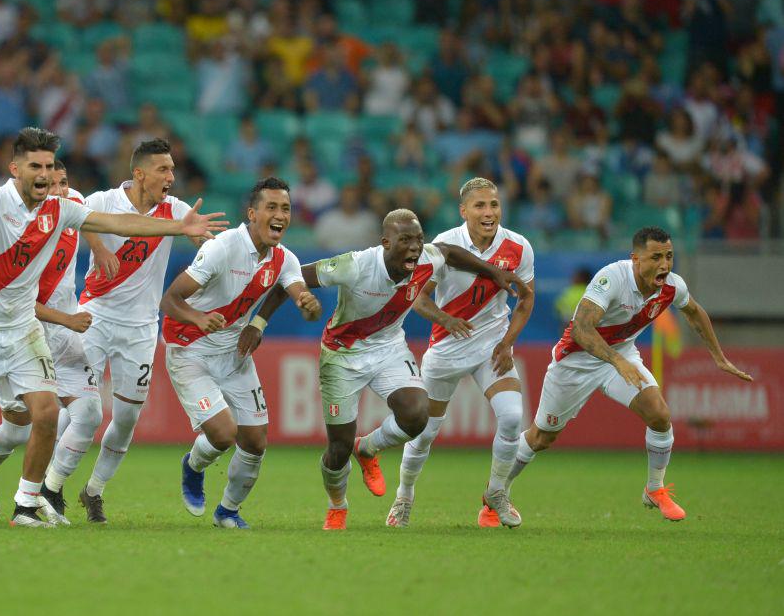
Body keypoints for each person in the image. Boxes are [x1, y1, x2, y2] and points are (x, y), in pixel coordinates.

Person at [0, 128, 227, 528]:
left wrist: (177, 228)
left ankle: (27, 504)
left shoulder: (61, 210)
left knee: (44, 414)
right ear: (15, 169)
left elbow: (119, 223)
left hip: (24, 331)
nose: (44, 176)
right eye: (36, 167)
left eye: (50, 168)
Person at [252, 208, 528, 530]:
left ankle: (367, 447)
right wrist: (259, 322)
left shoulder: (426, 259)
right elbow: (292, 276)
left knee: (417, 414)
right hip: (343, 355)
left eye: (419, 240)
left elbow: (450, 253)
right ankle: (337, 505)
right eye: (405, 240)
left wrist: (493, 272)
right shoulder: (355, 265)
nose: (414, 247)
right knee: (338, 450)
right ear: (385, 242)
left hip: (389, 348)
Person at [505, 227, 753, 522]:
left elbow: (694, 311)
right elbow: (583, 330)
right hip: (576, 361)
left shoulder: (672, 286)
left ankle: (654, 489)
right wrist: (617, 362)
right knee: (541, 437)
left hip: (620, 355)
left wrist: (719, 357)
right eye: (656, 257)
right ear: (635, 259)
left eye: (669, 257)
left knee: (659, 415)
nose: (664, 265)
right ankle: (496, 494)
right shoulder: (612, 279)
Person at [38, 138, 212, 524]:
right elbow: (75, 216)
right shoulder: (102, 201)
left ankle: (93, 491)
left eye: (172, 169)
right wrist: (98, 245)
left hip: (141, 329)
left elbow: (197, 233)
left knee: (127, 418)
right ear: (139, 173)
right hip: (95, 318)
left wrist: (201, 239)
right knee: (80, 411)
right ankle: (49, 486)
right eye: (163, 169)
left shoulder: (176, 211)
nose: (171, 176)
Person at [162, 177, 322, 529]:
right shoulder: (223, 247)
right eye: (271, 207)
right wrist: (198, 317)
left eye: (285, 208)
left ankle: (228, 511)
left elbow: (300, 297)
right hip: (190, 349)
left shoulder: (284, 259)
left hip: (233, 353)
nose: (279, 215)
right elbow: (170, 300)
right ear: (252, 213)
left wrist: (307, 305)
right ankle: (193, 466)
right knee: (222, 434)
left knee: (255, 440)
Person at [390, 178, 536, 529]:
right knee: (424, 433)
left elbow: (526, 297)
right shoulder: (443, 246)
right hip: (447, 349)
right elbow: (419, 298)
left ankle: (497, 493)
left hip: (491, 346)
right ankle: (404, 495)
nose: (489, 213)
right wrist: (445, 318)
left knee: (513, 417)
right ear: (464, 211)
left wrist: (507, 342)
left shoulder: (518, 246)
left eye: (494, 205)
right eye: (480, 206)